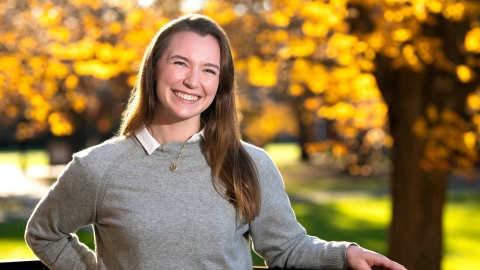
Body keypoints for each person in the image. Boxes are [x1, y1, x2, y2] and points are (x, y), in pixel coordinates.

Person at [25, 14, 406, 270]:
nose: (194, 81)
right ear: (153, 68)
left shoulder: (251, 165)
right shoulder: (98, 167)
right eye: (180, 63)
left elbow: (287, 247)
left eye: (209, 69)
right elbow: (44, 233)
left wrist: (346, 254)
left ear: (220, 84)